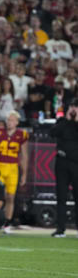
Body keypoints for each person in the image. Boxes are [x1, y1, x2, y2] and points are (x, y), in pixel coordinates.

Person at [0, 111, 29, 234]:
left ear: (17, 122)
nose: (9, 122)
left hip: (13, 167)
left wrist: (24, 173)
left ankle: (7, 222)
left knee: (10, 196)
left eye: (12, 120)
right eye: (8, 120)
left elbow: (24, 156)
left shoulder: (22, 135)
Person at [49, 99, 78, 238]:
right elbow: (53, 132)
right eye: (72, 106)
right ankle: (60, 228)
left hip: (76, 163)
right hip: (61, 162)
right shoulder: (62, 122)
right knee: (61, 196)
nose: (74, 109)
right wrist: (67, 119)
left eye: (76, 107)